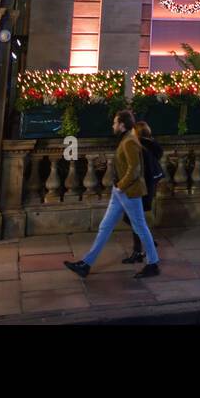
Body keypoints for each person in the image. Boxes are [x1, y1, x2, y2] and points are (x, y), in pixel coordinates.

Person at [65, 111, 161, 279]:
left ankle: (153, 264)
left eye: (115, 123)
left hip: (128, 191)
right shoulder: (126, 139)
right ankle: (86, 264)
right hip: (120, 192)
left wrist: (121, 186)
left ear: (122, 124)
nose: (113, 125)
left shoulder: (129, 141)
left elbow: (135, 169)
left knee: (140, 226)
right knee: (105, 226)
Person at [120, 121, 164, 264]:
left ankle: (139, 251)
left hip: (142, 186)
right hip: (150, 184)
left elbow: (135, 169)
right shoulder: (152, 144)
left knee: (133, 218)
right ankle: (144, 243)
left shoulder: (139, 146)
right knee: (134, 218)